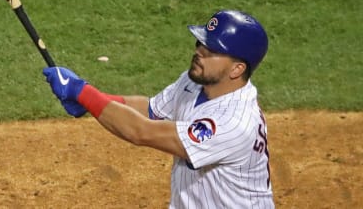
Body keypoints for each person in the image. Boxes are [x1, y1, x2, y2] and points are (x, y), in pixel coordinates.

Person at [43, 10, 275, 208]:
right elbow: (151, 110)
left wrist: (81, 91)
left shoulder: (233, 123)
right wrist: (90, 101)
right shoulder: (195, 81)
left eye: (211, 51)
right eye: (200, 43)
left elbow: (142, 131)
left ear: (237, 69)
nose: (199, 52)